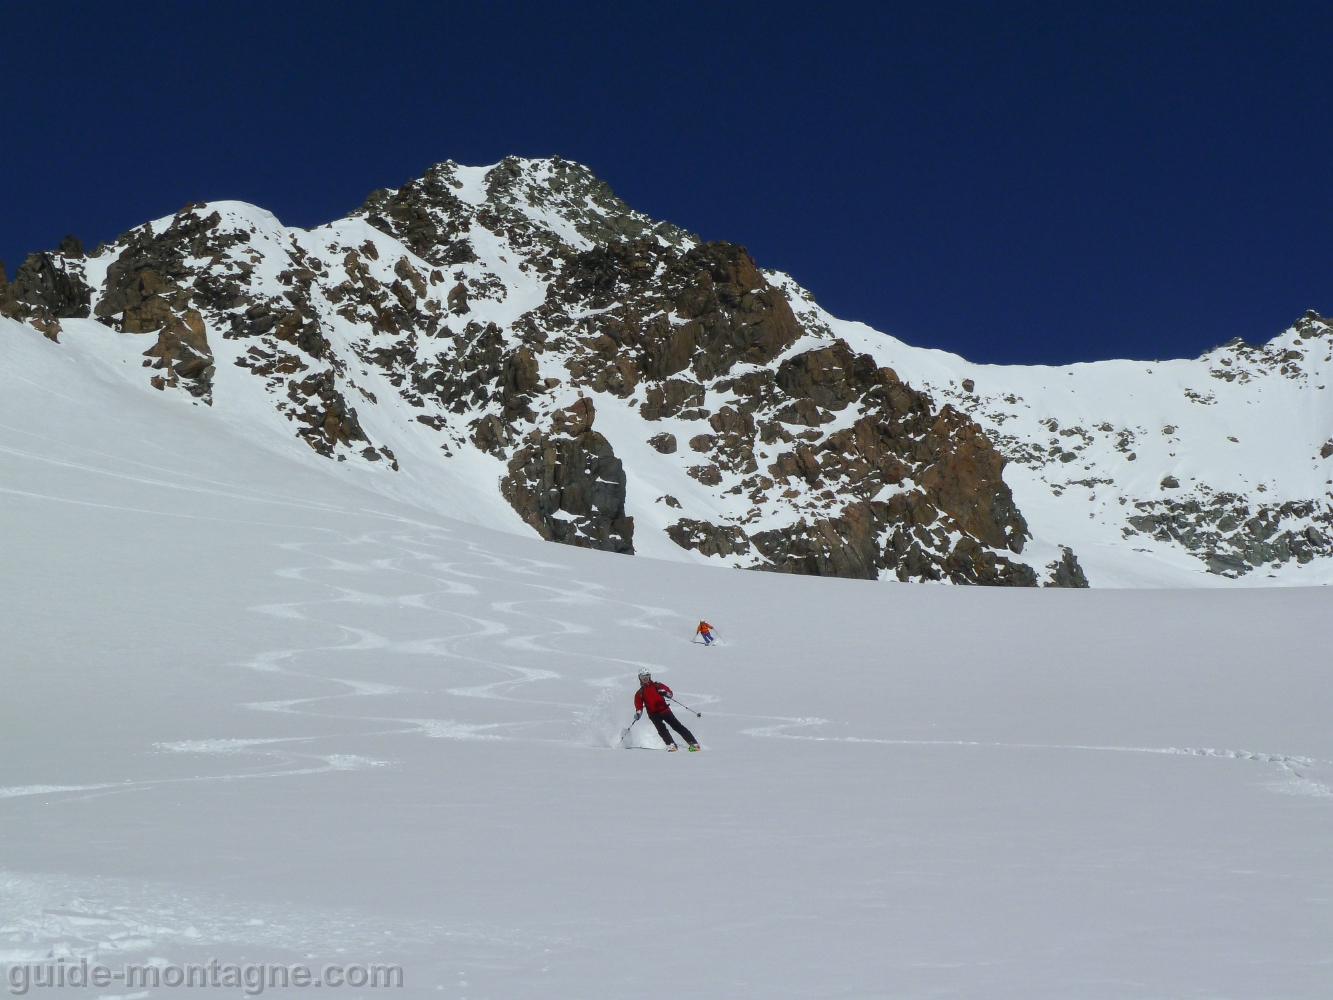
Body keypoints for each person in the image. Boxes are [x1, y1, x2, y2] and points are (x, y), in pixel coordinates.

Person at [633, 669, 699, 751]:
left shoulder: (657, 685)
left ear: (649, 677)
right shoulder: (640, 692)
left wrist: (665, 693)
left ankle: (693, 743)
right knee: (661, 730)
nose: (645, 679)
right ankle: (671, 745)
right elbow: (638, 705)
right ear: (640, 678)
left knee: (677, 726)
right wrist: (638, 712)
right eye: (643, 677)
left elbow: (670, 694)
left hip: (664, 710)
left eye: (646, 677)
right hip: (653, 714)